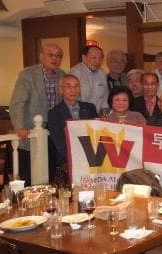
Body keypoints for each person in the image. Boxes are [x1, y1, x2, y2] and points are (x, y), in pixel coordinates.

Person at [9, 43, 65, 185]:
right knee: (29, 175)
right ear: (41, 57)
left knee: (49, 174)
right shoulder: (28, 75)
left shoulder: (62, 75)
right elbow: (17, 102)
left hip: (53, 133)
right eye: (50, 55)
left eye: (58, 56)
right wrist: (19, 126)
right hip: (29, 132)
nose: (55, 59)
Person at [47, 74, 98, 171]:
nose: (73, 90)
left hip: (92, 158)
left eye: (76, 86)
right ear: (61, 90)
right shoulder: (54, 113)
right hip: (67, 161)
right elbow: (60, 143)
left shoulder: (90, 108)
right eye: (68, 86)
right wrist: (79, 160)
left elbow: (96, 135)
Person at [69, 45, 109, 113]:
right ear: (84, 58)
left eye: (100, 59)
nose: (97, 61)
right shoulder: (74, 74)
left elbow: (105, 97)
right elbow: (72, 99)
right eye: (94, 58)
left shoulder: (102, 73)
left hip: (98, 115)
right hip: (79, 114)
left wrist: (104, 112)